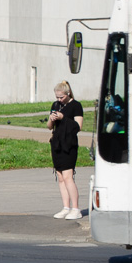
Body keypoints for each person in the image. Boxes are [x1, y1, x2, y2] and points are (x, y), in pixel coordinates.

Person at [47, 80, 86, 220]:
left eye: (61, 97)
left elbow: (78, 126)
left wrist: (63, 118)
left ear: (68, 93)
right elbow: (50, 127)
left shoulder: (76, 106)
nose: (59, 100)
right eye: (57, 97)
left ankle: (75, 208)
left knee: (68, 177)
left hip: (69, 143)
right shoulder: (55, 105)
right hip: (57, 143)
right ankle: (66, 207)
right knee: (61, 178)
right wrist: (51, 119)